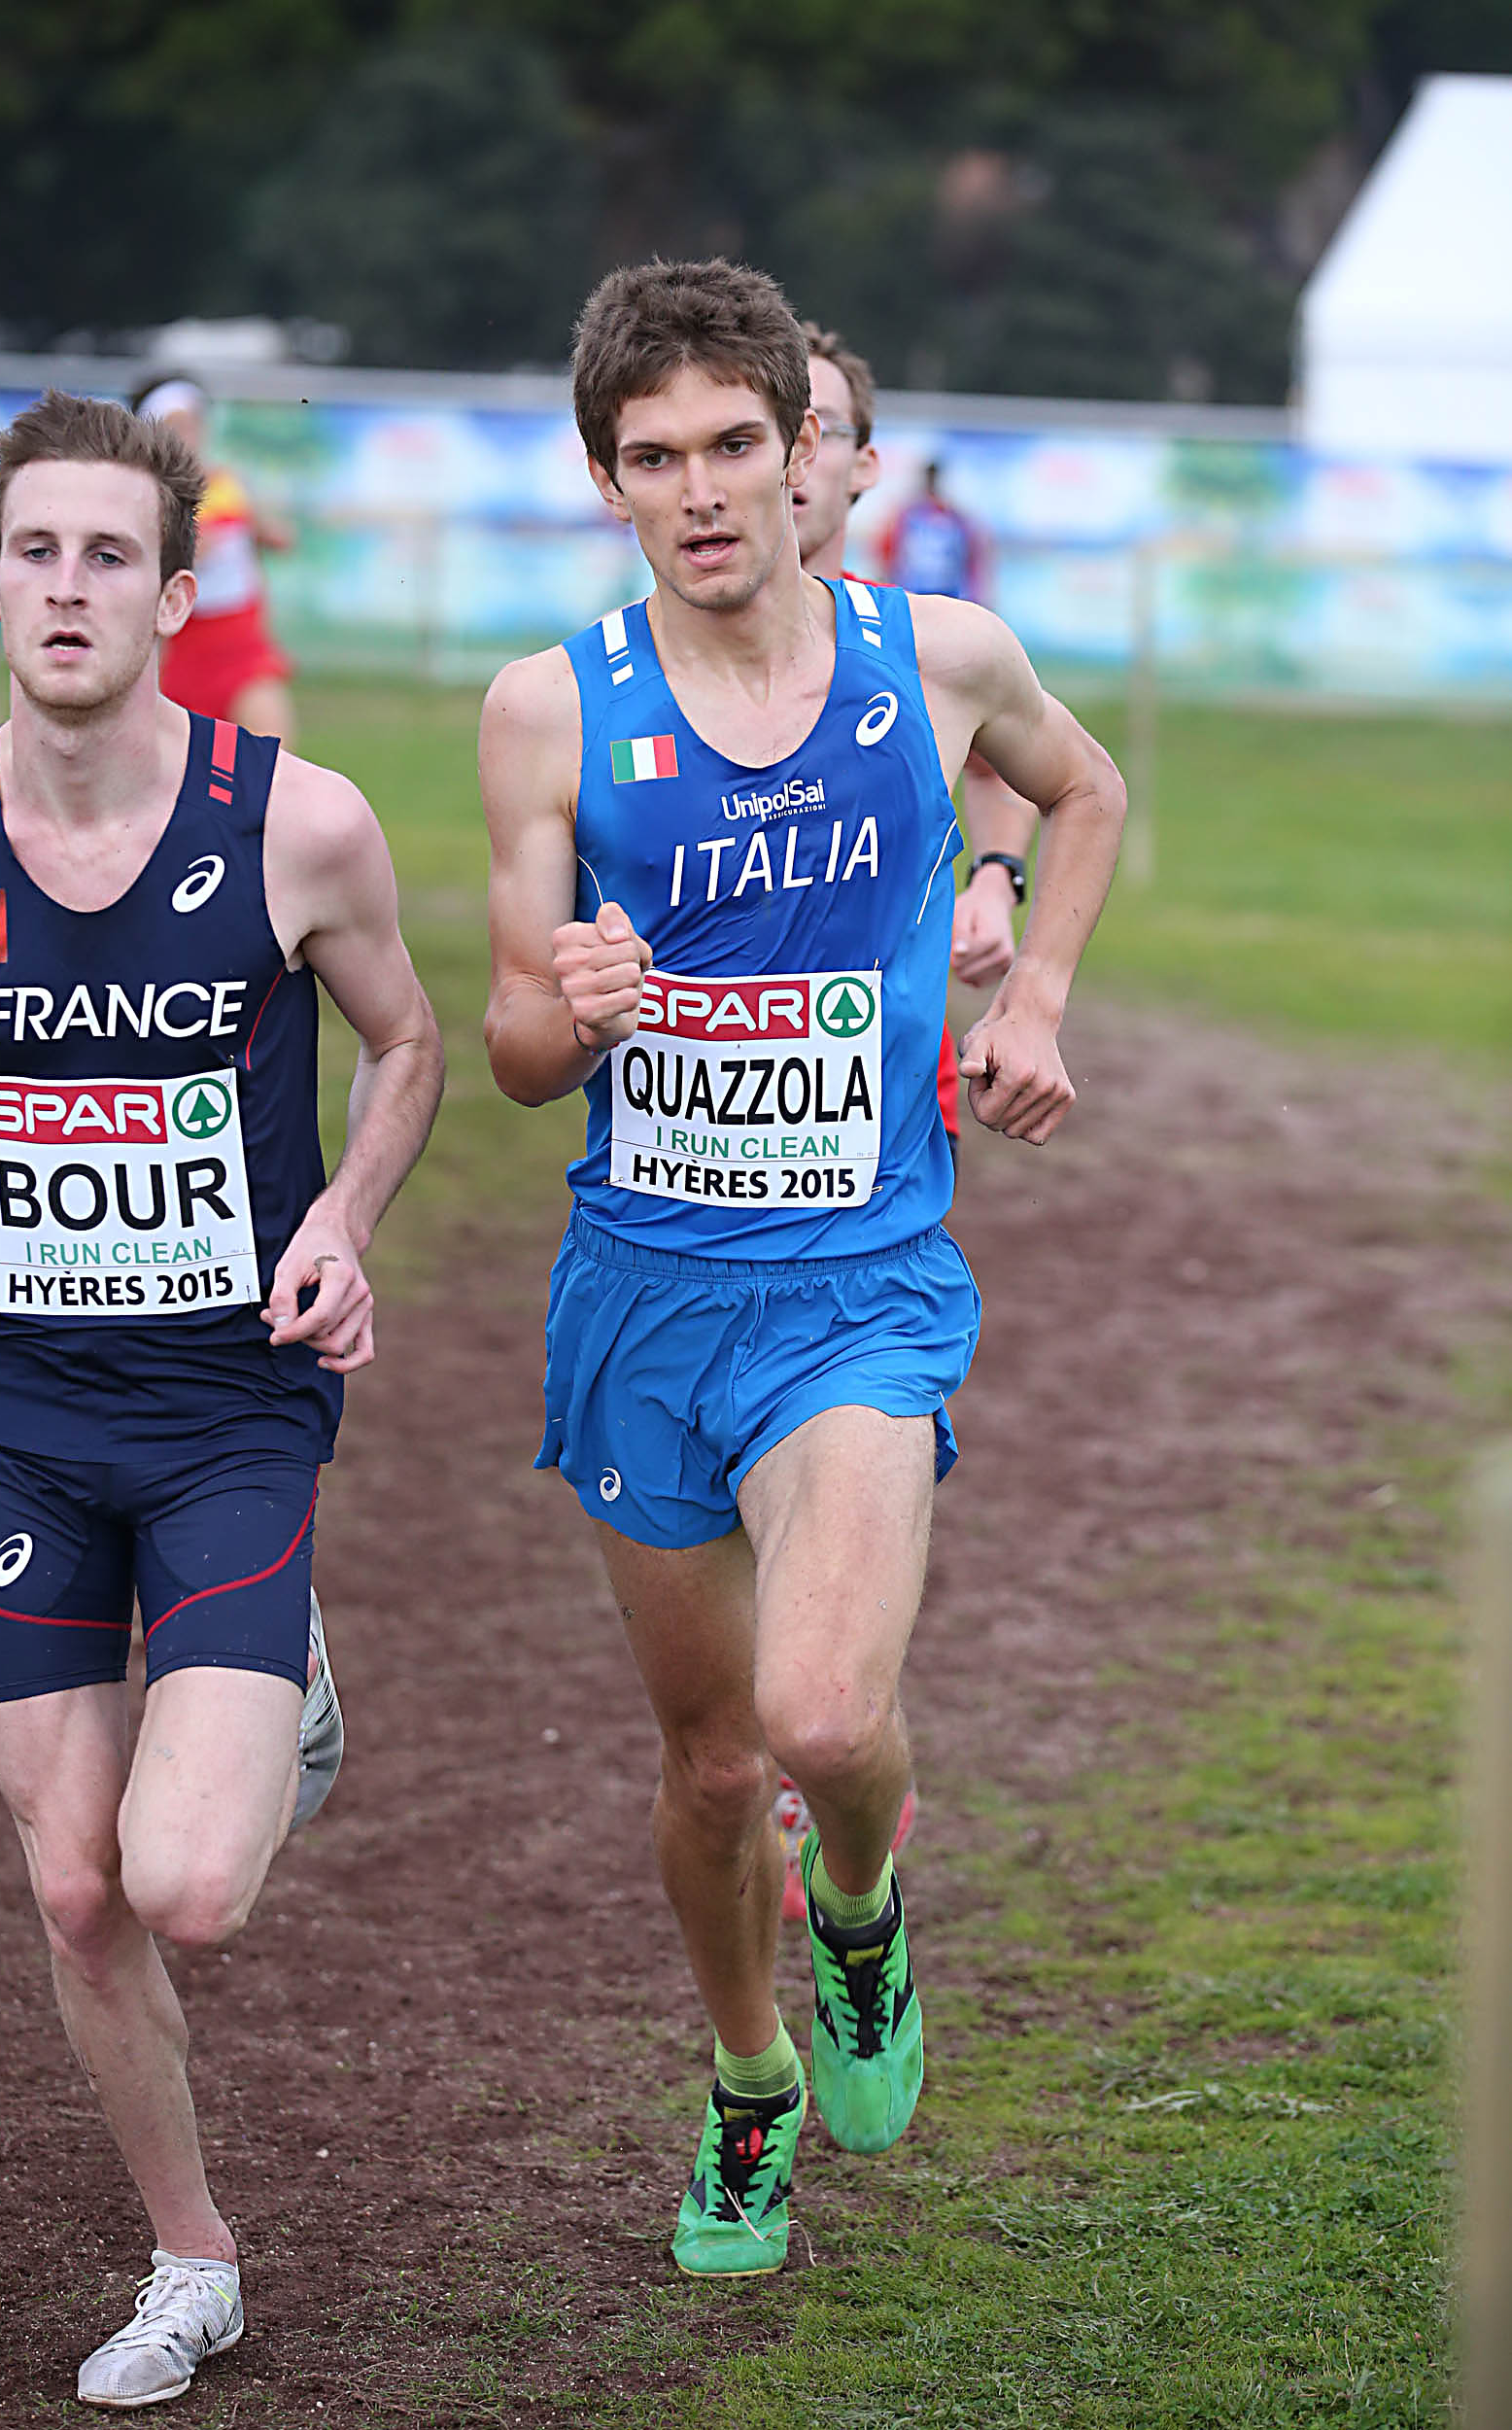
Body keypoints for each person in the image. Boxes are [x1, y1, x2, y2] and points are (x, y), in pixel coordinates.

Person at [480, 260, 1124, 2277]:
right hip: (640, 1297)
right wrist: (569, 1006)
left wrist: (1036, 998)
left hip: (857, 1283)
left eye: (730, 445)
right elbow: (512, 1044)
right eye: (650, 457)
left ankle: (856, 1909)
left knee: (825, 1719)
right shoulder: (546, 708)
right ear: (604, 479)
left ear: (801, 450)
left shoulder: (935, 659)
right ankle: (746, 2080)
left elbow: (1084, 784)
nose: (696, 489)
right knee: (707, 1760)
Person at [0, 391, 443, 2407]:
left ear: (174, 594)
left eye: (108, 555)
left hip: (227, 1403)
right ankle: (189, 2256)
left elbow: (404, 1041)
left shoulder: (297, 822)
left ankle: (280, 1671)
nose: (68, 587)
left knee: (184, 1884)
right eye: (36, 551)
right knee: (73, 1885)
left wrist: (347, 1220)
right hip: (9, 1402)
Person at [770, 321, 1042, 1922]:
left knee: (850, 1369)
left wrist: (992, 882)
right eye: (766, 425)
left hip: (878, 1100)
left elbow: (1013, 765)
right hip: (686, 1177)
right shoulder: (632, 663)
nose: (787, 457)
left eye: (814, 428)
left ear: (859, 464)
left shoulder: (921, 643)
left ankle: (837, 1686)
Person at [131, 375, 296, 743]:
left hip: (243, 638)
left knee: (272, 756)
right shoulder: (148, 496)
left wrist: (267, 533)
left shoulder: (228, 482)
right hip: (184, 646)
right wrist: (186, 551)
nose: (189, 435)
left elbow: (264, 535)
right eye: (176, 426)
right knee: (186, 762)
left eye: (193, 423)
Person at [878, 456, 989, 604]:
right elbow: (887, 552)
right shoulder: (907, 515)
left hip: (946, 591)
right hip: (916, 590)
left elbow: (973, 554)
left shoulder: (953, 516)